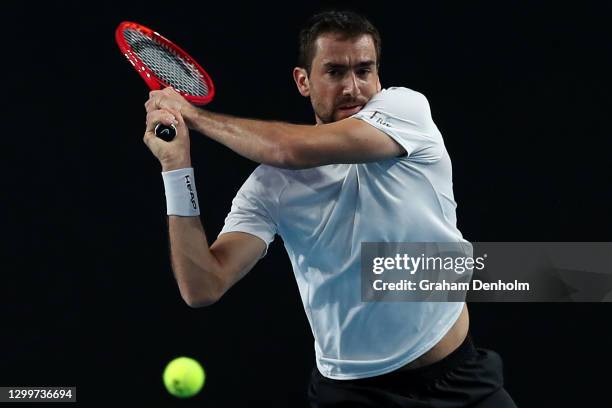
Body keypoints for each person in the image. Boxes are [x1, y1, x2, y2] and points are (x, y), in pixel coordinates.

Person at [143, 10, 517, 408]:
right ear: (303, 81)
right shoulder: (270, 187)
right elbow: (203, 286)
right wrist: (176, 167)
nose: (353, 87)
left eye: (364, 70)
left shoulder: (407, 111)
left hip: (461, 382)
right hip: (355, 396)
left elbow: (286, 149)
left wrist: (195, 116)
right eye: (335, 72)